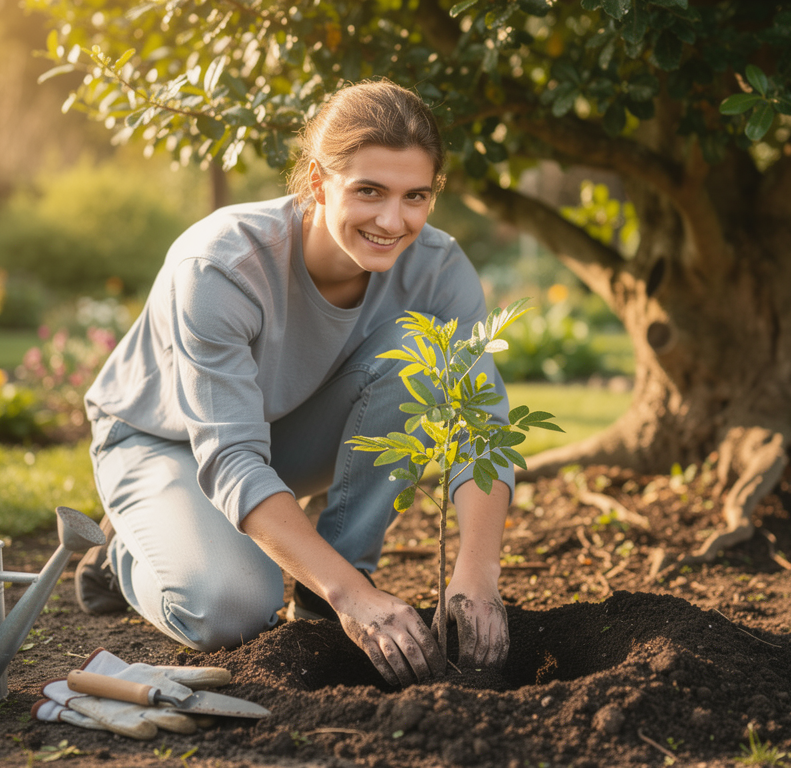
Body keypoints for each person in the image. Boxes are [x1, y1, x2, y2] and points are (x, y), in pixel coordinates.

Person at [76, 80, 516, 687]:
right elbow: (232, 457)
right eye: (369, 191)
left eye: (416, 195)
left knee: (423, 355)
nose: (394, 220)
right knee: (230, 610)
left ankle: (325, 597)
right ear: (316, 181)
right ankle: (121, 552)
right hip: (163, 441)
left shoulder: (439, 268)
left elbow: (482, 427)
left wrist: (476, 574)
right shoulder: (222, 266)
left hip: (287, 432)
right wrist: (354, 598)